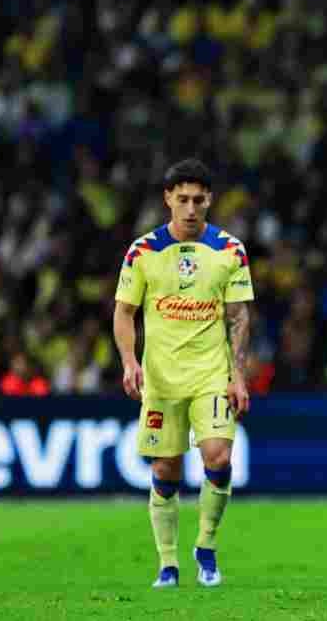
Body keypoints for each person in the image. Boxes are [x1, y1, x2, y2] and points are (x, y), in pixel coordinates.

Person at [113, 159, 254, 588]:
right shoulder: (143, 251)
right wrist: (129, 361)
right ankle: (168, 564)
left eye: (198, 199)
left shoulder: (230, 250)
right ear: (168, 200)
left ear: (209, 200)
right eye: (183, 200)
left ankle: (206, 548)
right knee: (165, 471)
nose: (191, 208)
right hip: (161, 378)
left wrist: (239, 375)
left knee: (220, 456)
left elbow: (239, 316)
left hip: (211, 374)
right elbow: (124, 312)